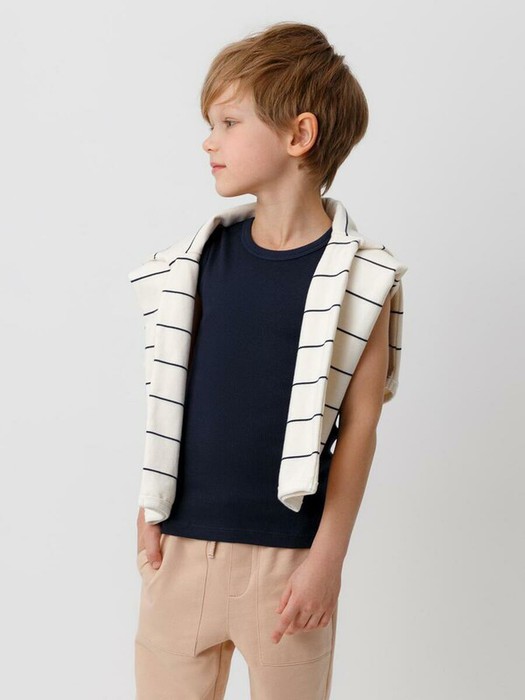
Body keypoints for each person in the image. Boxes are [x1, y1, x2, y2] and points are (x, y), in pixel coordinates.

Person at [128, 20, 408, 700]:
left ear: (298, 135)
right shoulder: (192, 267)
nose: (209, 140)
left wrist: (326, 561)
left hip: (289, 567)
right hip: (182, 549)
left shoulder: (362, 281)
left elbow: (359, 431)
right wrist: (148, 506)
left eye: (228, 123)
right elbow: (172, 397)